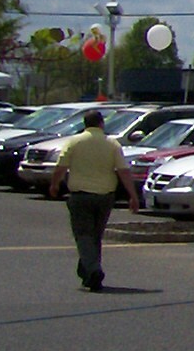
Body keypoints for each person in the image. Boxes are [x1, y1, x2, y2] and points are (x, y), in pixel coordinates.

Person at [47, 108, 138, 292]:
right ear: (101, 124)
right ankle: (87, 273)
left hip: (80, 195)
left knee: (83, 235)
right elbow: (123, 171)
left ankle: (93, 270)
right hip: (105, 196)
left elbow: (61, 165)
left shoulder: (74, 142)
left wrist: (55, 184)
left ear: (85, 124)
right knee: (95, 236)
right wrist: (133, 195)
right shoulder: (112, 144)